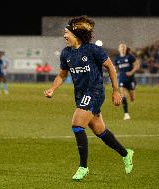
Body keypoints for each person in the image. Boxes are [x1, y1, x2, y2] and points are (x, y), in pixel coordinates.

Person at [44, 16, 134, 181]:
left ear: (76, 34)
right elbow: (62, 74)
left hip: (95, 92)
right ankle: (126, 153)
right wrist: (52, 88)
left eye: (66, 33)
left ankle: (83, 167)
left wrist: (115, 91)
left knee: (77, 124)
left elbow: (111, 68)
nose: (64, 36)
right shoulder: (66, 53)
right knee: (100, 131)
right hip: (80, 95)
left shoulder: (92, 50)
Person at [114, 43, 140, 120]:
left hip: (131, 80)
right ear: (119, 49)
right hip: (122, 79)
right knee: (123, 96)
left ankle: (131, 97)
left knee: (132, 98)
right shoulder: (117, 59)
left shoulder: (130, 57)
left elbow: (137, 65)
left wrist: (131, 72)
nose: (122, 48)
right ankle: (126, 114)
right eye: (121, 47)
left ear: (125, 49)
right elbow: (115, 68)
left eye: (123, 47)